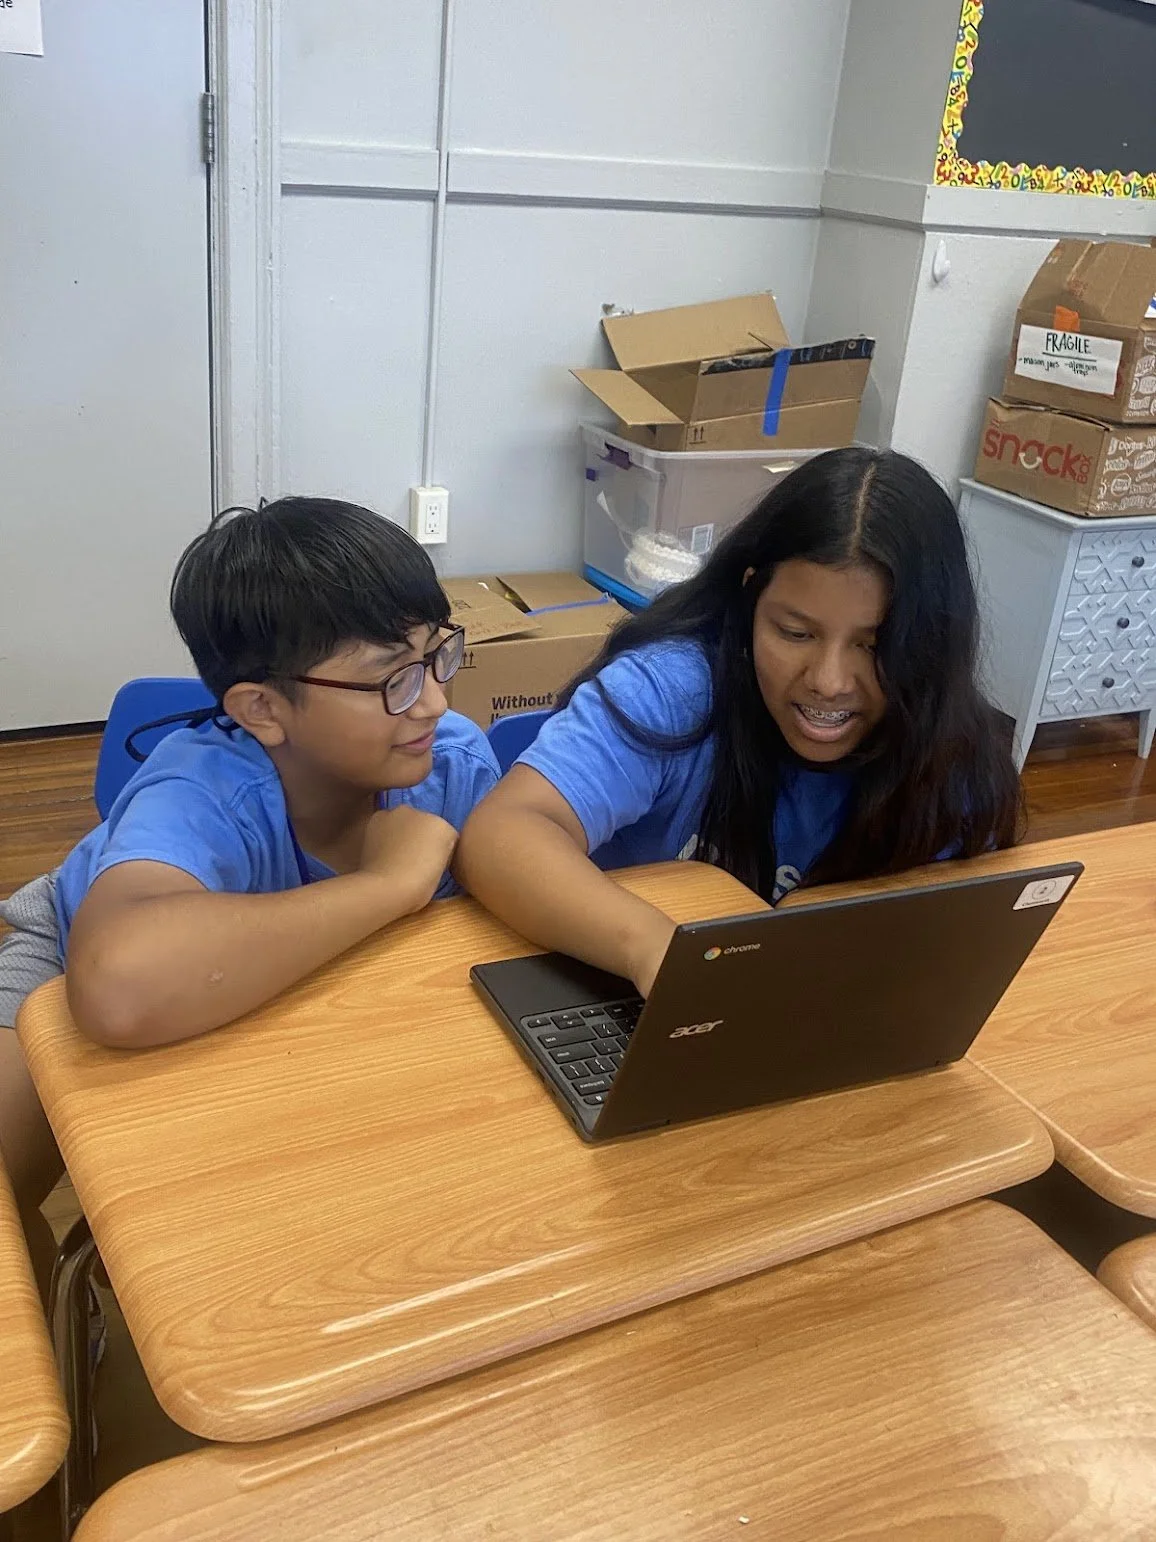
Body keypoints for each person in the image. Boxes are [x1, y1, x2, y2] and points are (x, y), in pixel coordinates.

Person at [0, 497, 499, 1275]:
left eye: (439, 654)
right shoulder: (202, 789)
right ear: (263, 708)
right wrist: (389, 884)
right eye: (393, 679)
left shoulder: (452, 762)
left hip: (308, 991)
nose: (435, 700)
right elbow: (118, 983)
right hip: (73, 956)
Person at [458, 447, 1021, 998]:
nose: (828, 681)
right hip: (623, 995)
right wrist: (654, 949)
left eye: (875, 646)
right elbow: (500, 833)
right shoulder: (674, 688)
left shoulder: (946, 743)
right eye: (795, 633)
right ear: (750, 596)